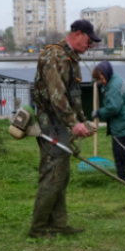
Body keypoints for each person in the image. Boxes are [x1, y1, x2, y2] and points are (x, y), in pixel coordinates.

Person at [29, 19, 101, 238]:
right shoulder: (55, 55)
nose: (90, 46)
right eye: (89, 41)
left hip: (62, 124)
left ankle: (59, 225)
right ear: (77, 33)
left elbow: (74, 95)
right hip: (51, 125)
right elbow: (56, 95)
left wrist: (82, 121)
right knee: (52, 175)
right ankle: (39, 228)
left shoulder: (71, 59)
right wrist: (73, 123)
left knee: (61, 175)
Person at [91, 61, 125, 185]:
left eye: (101, 78)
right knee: (117, 152)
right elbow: (108, 88)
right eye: (98, 80)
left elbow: (114, 108)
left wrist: (99, 113)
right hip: (123, 124)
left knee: (122, 151)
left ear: (107, 73)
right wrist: (102, 86)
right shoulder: (112, 79)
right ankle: (122, 179)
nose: (101, 81)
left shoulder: (114, 85)